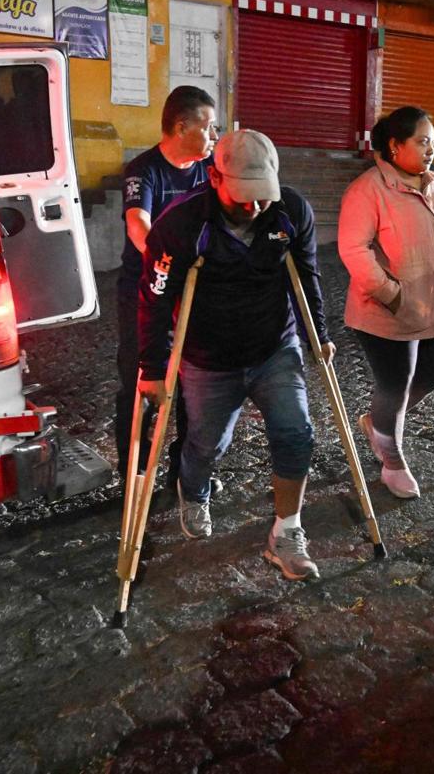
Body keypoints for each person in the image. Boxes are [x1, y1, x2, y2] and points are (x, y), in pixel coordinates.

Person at [137, 129, 335, 580]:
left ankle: (287, 532)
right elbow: (156, 295)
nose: (254, 207)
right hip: (209, 356)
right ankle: (194, 488)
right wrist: (151, 366)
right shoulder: (180, 224)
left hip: (273, 345)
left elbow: (305, 277)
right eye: (243, 196)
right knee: (207, 443)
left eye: (261, 195)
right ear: (214, 177)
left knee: (296, 432)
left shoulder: (290, 211)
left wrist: (315, 333)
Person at [337, 106, 434, 499]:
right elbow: (353, 249)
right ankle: (391, 463)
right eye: (422, 141)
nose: (431, 149)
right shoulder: (368, 190)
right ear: (395, 146)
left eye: (432, 141)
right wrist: (392, 295)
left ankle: (377, 423)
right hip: (385, 312)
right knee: (396, 384)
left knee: (433, 375)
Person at [116, 86, 218, 484]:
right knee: (141, 377)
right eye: (208, 128)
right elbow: (138, 224)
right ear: (180, 126)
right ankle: (135, 470)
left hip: (195, 290)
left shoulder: (209, 173)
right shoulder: (144, 170)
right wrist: (166, 260)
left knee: (194, 382)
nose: (214, 137)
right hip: (146, 290)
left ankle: (185, 470)